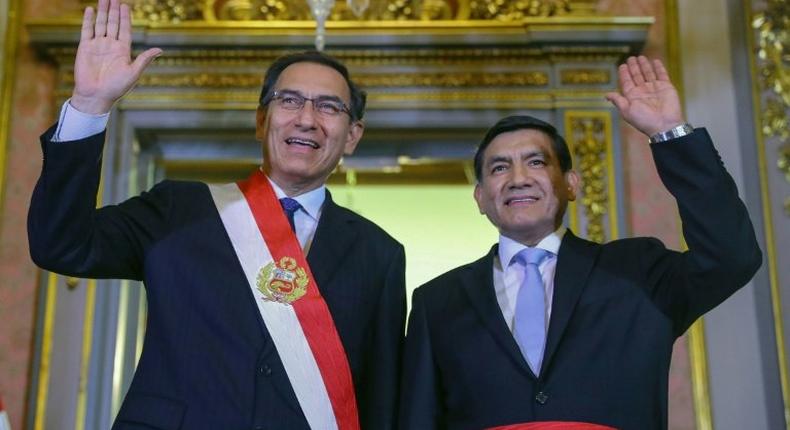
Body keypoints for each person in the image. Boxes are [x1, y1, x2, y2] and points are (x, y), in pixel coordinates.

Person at [27, 0, 405, 428]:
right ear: (261, 120)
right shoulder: (179, 209)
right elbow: (60, 245)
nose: (306, 119)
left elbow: (382, 397)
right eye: (290, 101)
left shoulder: (379, 254)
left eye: (328, 107)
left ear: (352, 135)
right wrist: (89, 106)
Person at [398, 56, 762, 430]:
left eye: (536, 162)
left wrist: (670, 132)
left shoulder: (637, 271)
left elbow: (732, 258)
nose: (518, 178)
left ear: (571, 184)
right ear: (480, 197)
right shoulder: (437, 301)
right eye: (499, 167)